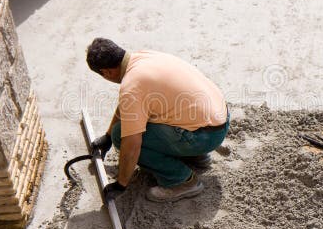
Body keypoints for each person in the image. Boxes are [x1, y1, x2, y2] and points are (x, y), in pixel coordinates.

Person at [86, 38, 229, 203]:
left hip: (204, 137)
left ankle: (183, 181)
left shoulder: (132, 85)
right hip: (219, 119)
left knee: (122, 135)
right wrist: (107, 137)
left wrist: (121, 184)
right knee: (150, 113)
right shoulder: (144, 57)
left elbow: (132, 146)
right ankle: (195, 157)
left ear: (107, 72)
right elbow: (126, 107)